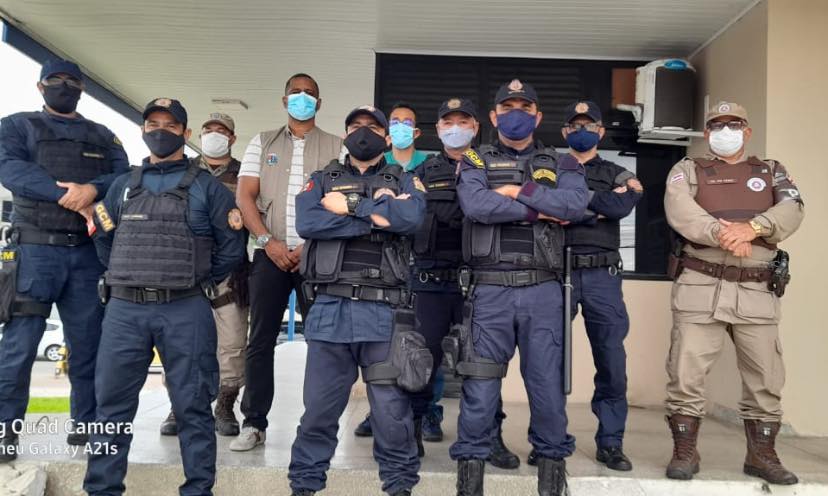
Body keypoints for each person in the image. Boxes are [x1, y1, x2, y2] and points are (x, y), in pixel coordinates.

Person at [82, 98, 244, 495]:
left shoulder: (208, 188)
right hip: (125, 310)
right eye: (153, 123)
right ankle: (102, 488)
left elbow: (231, 249)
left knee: (193, 407)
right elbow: (103, 239)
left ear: (185, 134)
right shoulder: (122, 186)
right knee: (110, 407)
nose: (160, 131)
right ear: (142, 129)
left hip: (184, 307)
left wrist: (195, 280)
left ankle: (198, 489)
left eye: (170, 125)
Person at [449, 80, 588, 496]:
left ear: (538, 116)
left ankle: (551, 479)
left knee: (547, 387)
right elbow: (476, 205)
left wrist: (519, 190)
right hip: (489, 290)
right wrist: (537, 210)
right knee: (479, 388)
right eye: (507, 107)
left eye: (524, 107)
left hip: (543, 290)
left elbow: (573, 206)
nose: (516, 113)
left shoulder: (563, 162)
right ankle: (470, 481)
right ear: (493, 117)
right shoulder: (475, 157)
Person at [663, 102, 804, 485]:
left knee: (765, 377)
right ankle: (685, 452)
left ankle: (762, 455)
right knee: (685, 373)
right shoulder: (687, 169)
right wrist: (722, 233)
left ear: (747, 131)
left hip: (756, 288)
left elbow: (792, 208)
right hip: (701, 284)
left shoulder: (771, 170)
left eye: (734, 124)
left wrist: (753, 228)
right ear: (706, 133)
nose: (726, 131)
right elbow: (680, 210)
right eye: (717, 125)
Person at [288, 105, 426, 496]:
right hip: (330, 310)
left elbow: (411, 220)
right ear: (345, 133)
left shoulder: (405, 179)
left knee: (391, 414)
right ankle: (305, 486)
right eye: (355, 126)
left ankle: (399, 487)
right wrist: (378, 217)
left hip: (385, 313)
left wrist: (350, 206)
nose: (363, 132)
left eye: (373, 127)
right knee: (318, 411)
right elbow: (309, 223)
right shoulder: (321, 179)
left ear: (386, 137)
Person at [0, 59, 129, 461]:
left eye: (72, 81)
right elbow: (10, 169)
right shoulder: (16, 126)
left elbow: (123, 176)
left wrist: (92, 189)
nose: (63, 86)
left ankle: (85, 428)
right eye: (55, 80)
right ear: (40, 86)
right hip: (34, 252)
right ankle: (5, 432)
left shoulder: (104, 135)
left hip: (87, 254)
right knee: (19, 348)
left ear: (82, 88)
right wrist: (67, 195)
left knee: (89, 348)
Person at [527, 101, 642, 471]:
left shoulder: (616, 171)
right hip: (554, 273)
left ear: (601, 132)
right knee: (547, 361)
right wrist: (597, 207)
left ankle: (611, 442)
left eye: (589, 125)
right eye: (575, 125)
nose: (582, 131)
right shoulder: (548, 168)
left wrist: (576, 205)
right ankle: (547, 440)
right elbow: (540, 205)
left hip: (601, 277)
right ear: (564, 132)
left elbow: (622, 207)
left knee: (611, 360)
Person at [232, 73, 343, 451]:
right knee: (260, 340)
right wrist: (267, 241)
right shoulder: (262, 142)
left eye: (310, 94)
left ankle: (318, 424)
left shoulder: (337, 147)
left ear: (319, 103)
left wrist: (311, 245)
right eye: (296, 93)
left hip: (319, 256)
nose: (302, 98)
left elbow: (343, 201)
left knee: (322, 342)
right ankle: (254, 422)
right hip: (269, 254)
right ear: (284, 100)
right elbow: (245, 197)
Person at [159, 112, 250, 438]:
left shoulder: (245, 174)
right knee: (181, 343)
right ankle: (179, 405)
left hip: (230, 272)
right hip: (185, 270)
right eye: (209, 129)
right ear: (197, 135)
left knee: (232, 343)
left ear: (232, 138)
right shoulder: (181, 171)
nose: (214, 134)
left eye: (222, 130)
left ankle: (225, 406)